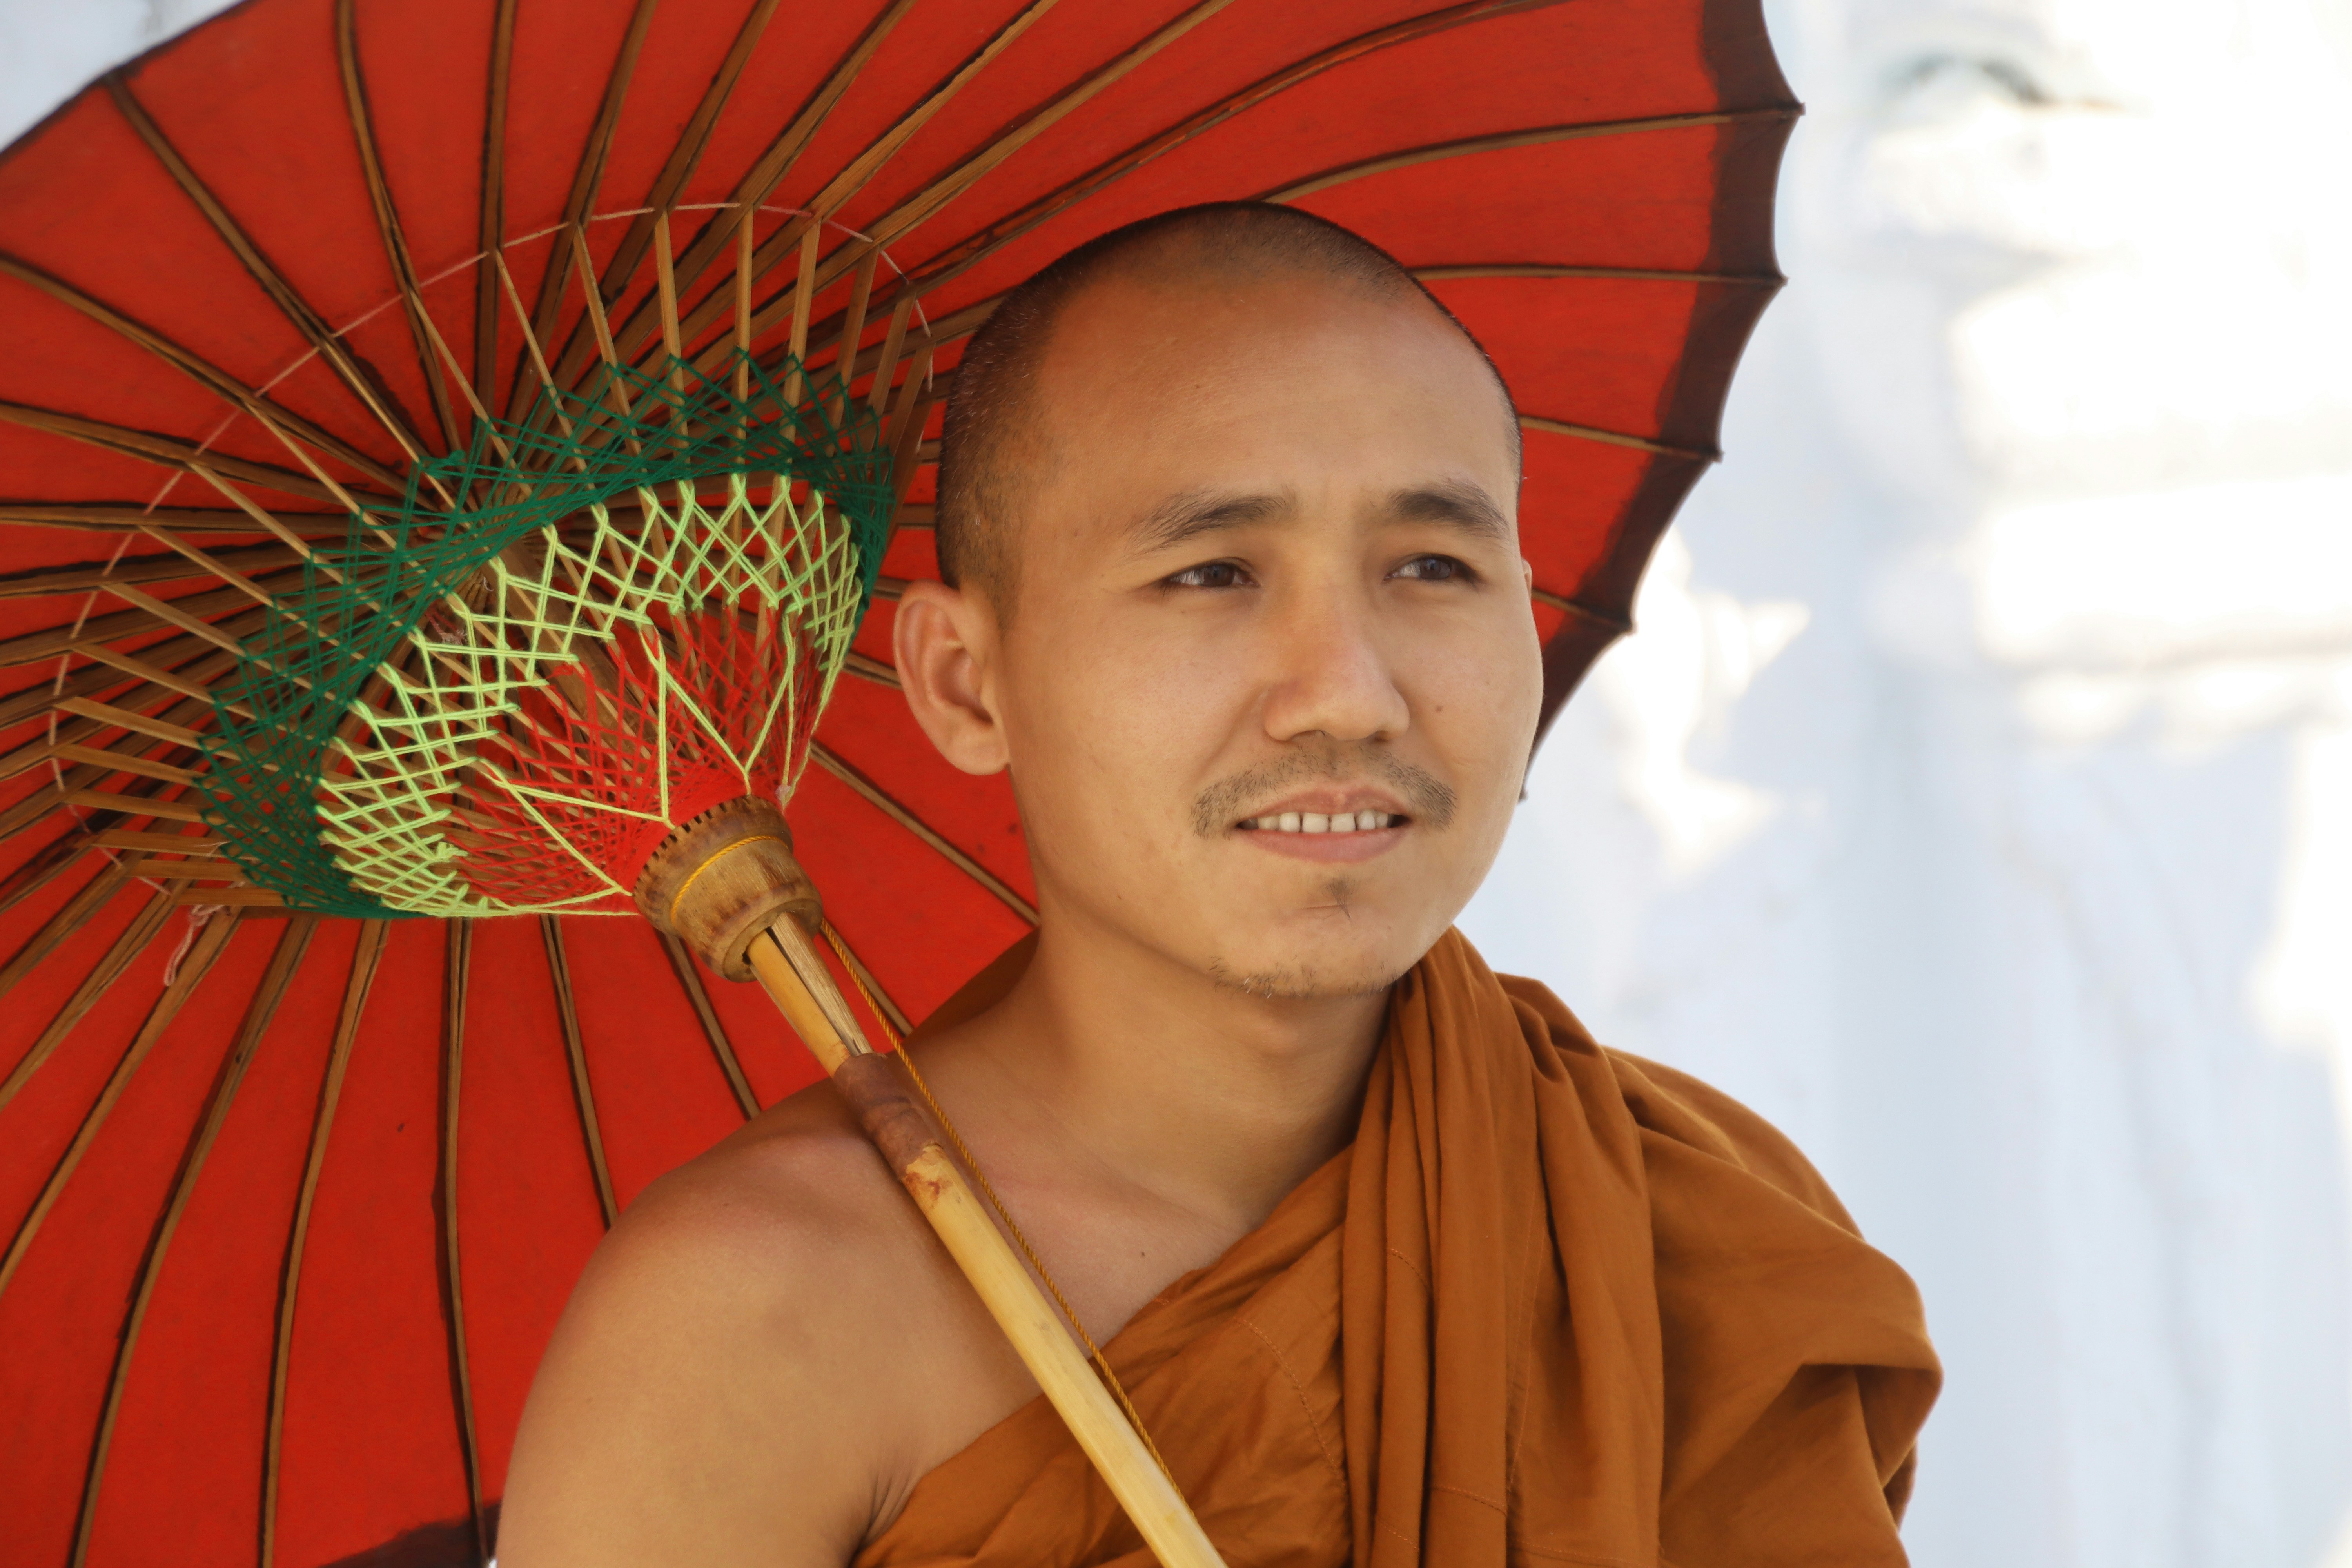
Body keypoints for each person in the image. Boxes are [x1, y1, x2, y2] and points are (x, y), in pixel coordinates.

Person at [494, 202, 1940, 1568]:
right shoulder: (760, 1321)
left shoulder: (1675, 1221)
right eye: (1212, 574)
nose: (1346, 696)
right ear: (965, 681)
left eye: (1432, 565)